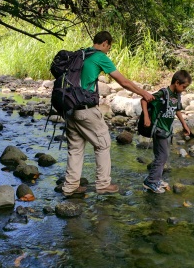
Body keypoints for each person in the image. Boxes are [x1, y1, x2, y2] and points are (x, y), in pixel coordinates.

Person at [62, 31, 154, 197]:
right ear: (105, 43)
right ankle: (103, 184)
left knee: (75, 148)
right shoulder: (100, 56)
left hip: (69, 108)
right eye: (108, 47)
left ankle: (70, 187)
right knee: (103, 144)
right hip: (86, 110)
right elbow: (123, 82)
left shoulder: (81, 54)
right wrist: (143, 93)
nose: (108, 51)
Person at [141, 70, 192, 193]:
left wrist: (184, 124)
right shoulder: (163, 93)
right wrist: (147, 117)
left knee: (162, 155)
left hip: (167, 130)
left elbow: (177, 109)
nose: (184, 90)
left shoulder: (176, 95)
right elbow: (144, 100)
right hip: (159, 129)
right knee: (162, 156)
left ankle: (155, 178)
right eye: (184, 87)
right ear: (177, 82)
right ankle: (151, 182)